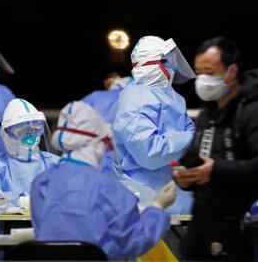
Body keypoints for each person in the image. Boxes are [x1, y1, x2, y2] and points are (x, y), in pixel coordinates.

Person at [31, 101, 176, 260]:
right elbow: (135, 241)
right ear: (99, 143)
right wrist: (158, 206)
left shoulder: (41, 183)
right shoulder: (109, 188)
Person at [172, 36, 258, 261]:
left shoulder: (257, 111)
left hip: (242, 237)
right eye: (199, 72)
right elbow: (195, 158)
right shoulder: (207, 114)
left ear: (231, 71)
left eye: (210, 71)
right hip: (201, 234)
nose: (203, 79)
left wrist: (216, 171)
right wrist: (182, 175)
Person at [113, 36, 196, 214]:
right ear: (153, 64)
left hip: (176, 193)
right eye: (167, 62)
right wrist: (192, 140)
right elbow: (149, 152)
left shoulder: (172, 96)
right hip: (145, 197)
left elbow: (191, 133)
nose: (172, 67)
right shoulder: (133, 100)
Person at [0, 99, 59, 206]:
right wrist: (19, 201)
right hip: (11, 223)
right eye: (22, 131)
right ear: (6, 133)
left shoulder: (55, 164)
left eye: (34, 130)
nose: (29, 137)